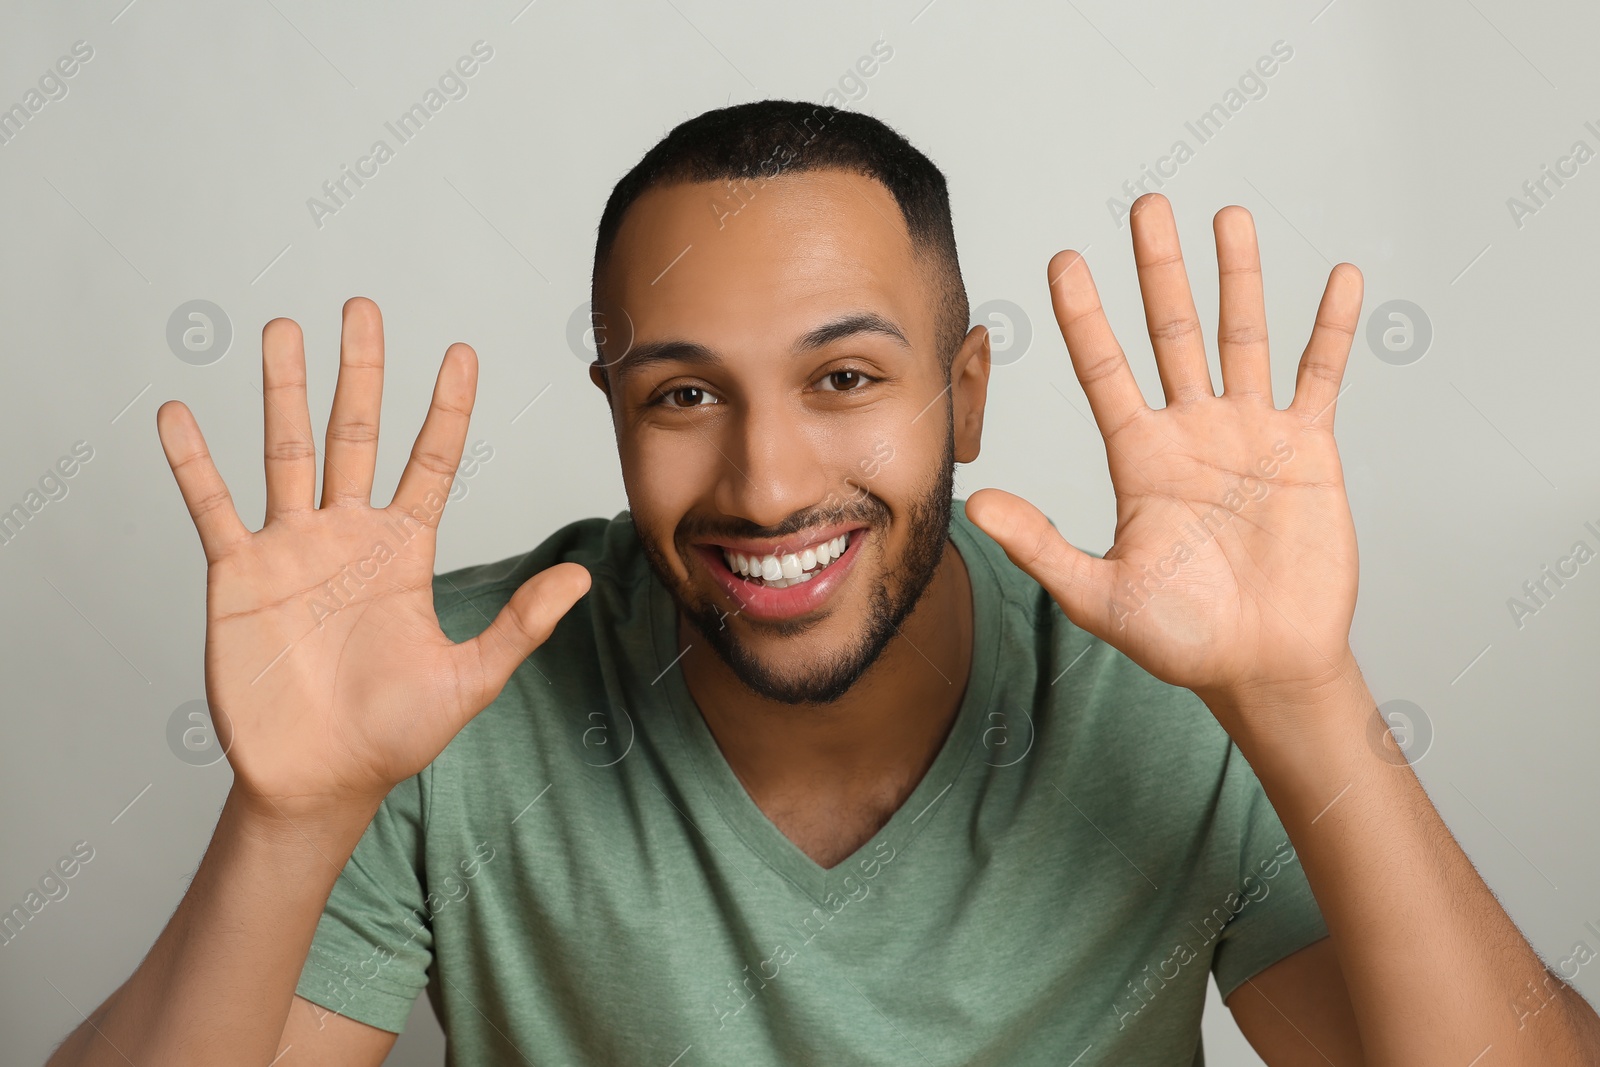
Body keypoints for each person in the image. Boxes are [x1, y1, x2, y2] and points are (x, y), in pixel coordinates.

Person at [49, 100, 1599, 1066]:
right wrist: (288, 819)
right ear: (611, 413)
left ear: (967, 393)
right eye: (681, 395)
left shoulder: (1172, 689)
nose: (769, 482)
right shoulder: (429, 689)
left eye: (846, 377)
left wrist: (1304, 699)